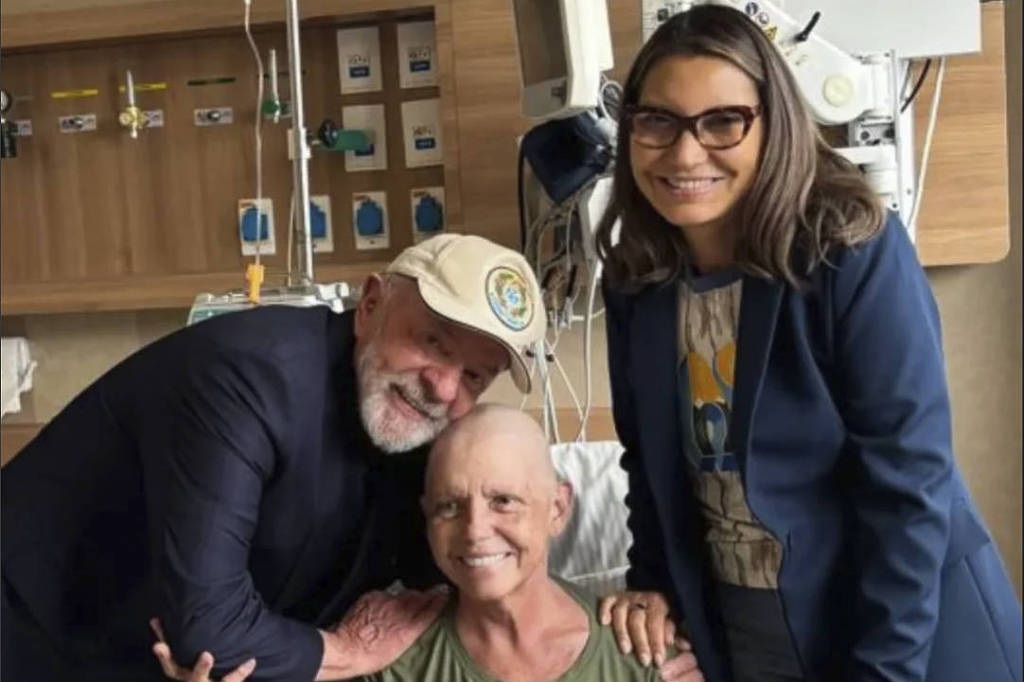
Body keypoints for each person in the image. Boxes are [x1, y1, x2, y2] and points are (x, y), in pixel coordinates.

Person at [592, 5, 1022, 682]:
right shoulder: (636, 285)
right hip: (745, 624)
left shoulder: (849, 252)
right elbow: (648, 465)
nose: (684, 152)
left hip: (905, 626)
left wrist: (884, 670)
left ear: (773, 126)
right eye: (657, 121)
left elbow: (909, 485)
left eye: (723, 121)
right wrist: (652, 581)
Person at [1, 233, 547, 682]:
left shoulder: (420, 431)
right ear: (372, 306)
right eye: (433, 342)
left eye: (475, 375)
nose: (442, 386)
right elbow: (207, 630)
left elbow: (445, 572)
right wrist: (348, 651)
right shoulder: (248, 378)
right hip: (29, 628)